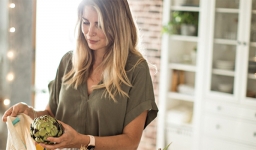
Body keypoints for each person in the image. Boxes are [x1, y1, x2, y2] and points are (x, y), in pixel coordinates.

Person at [2, 0, 158, 149]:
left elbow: (131, 142)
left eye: (99, 25)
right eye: (86, 22)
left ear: (118, 25)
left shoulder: (136, 69)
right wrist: (31, 113)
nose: (90, 32)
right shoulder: (68, 62)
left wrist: (82, 141)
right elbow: (52, 114)